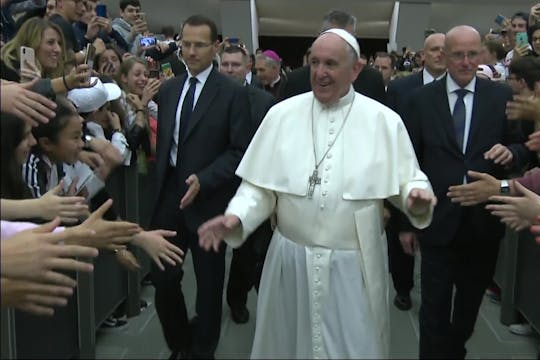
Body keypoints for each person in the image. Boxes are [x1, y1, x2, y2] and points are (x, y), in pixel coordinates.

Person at [198, 28, 436, 359]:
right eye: (315, 63)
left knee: (353, 347)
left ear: (355, 70)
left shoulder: (384, 121)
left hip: (354, 266)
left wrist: (415, 196)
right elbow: (259, 187)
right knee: (288, 346)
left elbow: (409, 178)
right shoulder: (281, 115)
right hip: (291, 260)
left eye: (331, 64)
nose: (320, 73)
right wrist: (237, 216)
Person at [400, 25, 530, 358]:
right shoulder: (420, 101)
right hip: (436, 219)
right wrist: (405, 222)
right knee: (433, 308)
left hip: (482, 224)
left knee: (469, 307)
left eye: (473, 54)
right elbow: (408, 162)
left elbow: (523, 146)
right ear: (444, 55)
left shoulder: (501, 97)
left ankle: (455, 350)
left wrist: (511, 153)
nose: (466, 61)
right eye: (458, 54)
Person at [149, 15, 251, 359]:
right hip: (169, 199)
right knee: (163, 280)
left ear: (216, 47)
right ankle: (180, 342)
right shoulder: (168, 89)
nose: (190, 52)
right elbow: (166, 144)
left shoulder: (233, 94)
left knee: (208, 287)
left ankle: (203, 350)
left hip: (209, 202)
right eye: (185, 44)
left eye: (199, 45)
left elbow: (240, 151)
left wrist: (205, 178)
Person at [384, 31, 446, 312]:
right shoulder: (401, 89)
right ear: (422, 56)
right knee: (403, 236)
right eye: (434, 49)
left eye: (446, 50)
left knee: (438, 236)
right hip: (404, 168)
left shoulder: (460, 88)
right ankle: (403, 288)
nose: (440, 54)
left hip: (442, 173)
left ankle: (437, 290)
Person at [218, 44, 275, 324]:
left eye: (235, 65)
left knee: (249, 251)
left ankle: (239, 300)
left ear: (248, 67)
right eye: (225, 64)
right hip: (215, 187)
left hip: (251, 188)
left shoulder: (263, 102)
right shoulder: (209, 98)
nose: (229, 70)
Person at [280, 9, 386, 104]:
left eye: (344, 39)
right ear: (319, 36)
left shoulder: (372, 79)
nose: (321, 74)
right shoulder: (294, 81)